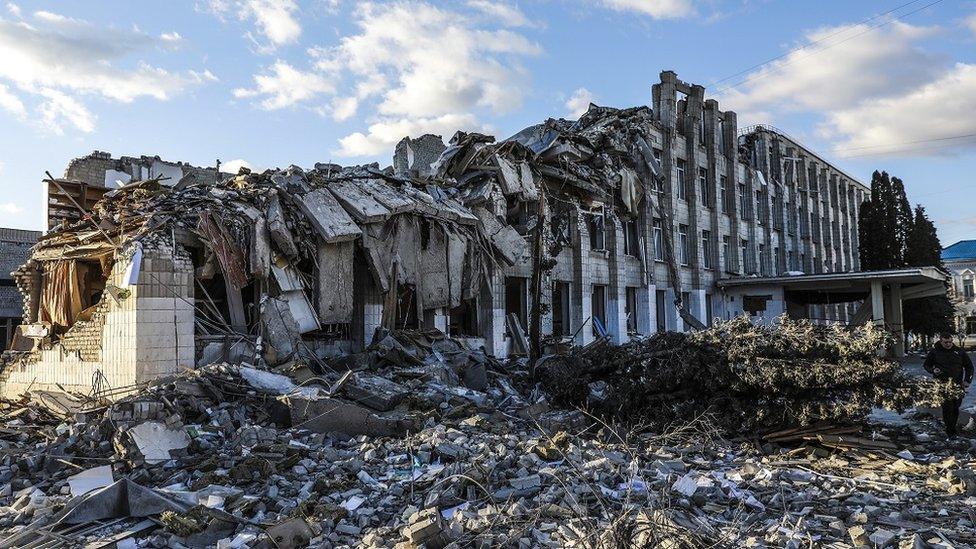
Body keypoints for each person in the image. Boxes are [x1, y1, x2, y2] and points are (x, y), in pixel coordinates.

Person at [923, 332, 974, 437]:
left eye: (950, 342)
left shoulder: (959, 352)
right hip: (942, 384)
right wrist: (933, 370)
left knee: (955, 407)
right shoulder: (934, 352)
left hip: (957, 384)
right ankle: (950, 431)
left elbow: (969, 367)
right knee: (947, 407)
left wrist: (967, 380)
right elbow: (926, 365)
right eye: (946, 342)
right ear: (941, 341)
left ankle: (952, 427)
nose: (948, 344)